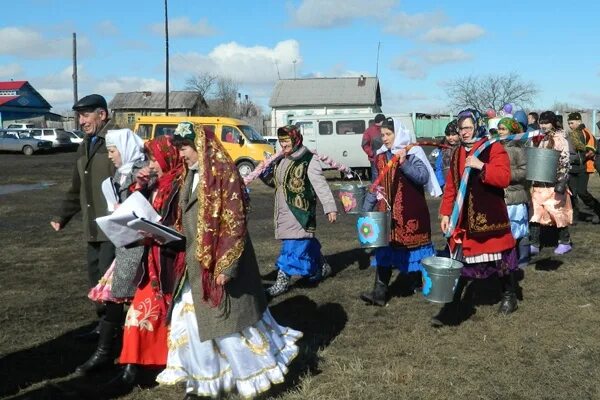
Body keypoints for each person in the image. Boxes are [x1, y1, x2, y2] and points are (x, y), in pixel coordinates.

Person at [156, 122, 301, 399]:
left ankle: (257, 377)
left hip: (219, 264)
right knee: (191, 321)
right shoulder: (191, 174)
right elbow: (187, 215)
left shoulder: (224, 173)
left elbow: (234, 223)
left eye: (185, 147)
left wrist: (227, 266)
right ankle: (204, 383)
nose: (181, 154)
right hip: (196, 265)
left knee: (231, 329)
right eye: (179, 148)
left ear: (200, 145)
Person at [112, 135, 185, 386]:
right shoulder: (157, 184)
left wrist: (156, 232)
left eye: (155, 159)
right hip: (151, 260)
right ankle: (131, 367)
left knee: (156, 314)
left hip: (170, 260)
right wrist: (140, 187)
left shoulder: (180, 184)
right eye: (150, 159)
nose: (151, 165)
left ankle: (149, 364)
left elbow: (182, 225)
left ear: (168, 157)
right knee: (137, 315)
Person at [435, 109, 518, 326]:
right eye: (461, 128)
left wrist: (481, 166)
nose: (464, 132)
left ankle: (509, 295)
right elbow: (451, 187)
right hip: (463, 219)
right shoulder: (456, 154)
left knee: (500, 260)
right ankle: (453, 305)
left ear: (477, 126)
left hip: (490, 218)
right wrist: (445, 213)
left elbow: (504, 178)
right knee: (459, 260)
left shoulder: (493, 148)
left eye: (469, 127)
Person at [77, 129, 147, 376]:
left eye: (112, 150)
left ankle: (130, 360)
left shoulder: (144, 171)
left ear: (125, 148)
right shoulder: (122, 172)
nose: (110, 156)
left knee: (139, 305)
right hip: (125, 245)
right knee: (114, 298)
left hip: (143, 248)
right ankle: (106, 352)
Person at [51, 94, 116, 339]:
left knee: (110, 282)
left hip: (112, 228)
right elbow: (76, 187)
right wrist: (62, 216)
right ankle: (104, 324)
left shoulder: (116, 140)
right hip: (91, 228)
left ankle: (113, 328)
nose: (81, 121)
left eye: (85, 115)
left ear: (102, 114)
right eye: (79, 115)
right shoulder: (85, 145)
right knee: (95, 279)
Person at [360, 117, 442, 306]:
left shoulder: (413, 152)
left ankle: (422, 284)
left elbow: (422, 177)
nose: (385, 138)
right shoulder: (380, 157)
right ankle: (379, 293)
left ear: (399, 134)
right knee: (385, 250)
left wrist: (404, 163)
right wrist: (366, 212)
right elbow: (376, 186)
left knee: (415, 249)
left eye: (389, 134)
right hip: (387, 215)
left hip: (410, 212)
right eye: (383, 135)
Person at [265, 125, 338, 297]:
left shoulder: (308, 159)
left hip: (300, 212)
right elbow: (276, 183)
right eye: (281, 141)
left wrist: (330, 208)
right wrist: (265, 172)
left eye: (286, 141)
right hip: (283, 210)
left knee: (292, 246)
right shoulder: (282, 159)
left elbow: (320, 185)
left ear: (295, 139)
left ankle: (282, 282)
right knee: (304, 242)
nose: (283, 145)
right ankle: (322, 266)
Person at [529, 111, 574, 255]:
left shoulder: (560, 139)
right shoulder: (538, 138)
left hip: (554, 182)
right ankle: (534, 243)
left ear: (553, 123)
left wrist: (562, 180)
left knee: (557, 212)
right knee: (535, 212)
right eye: (541, 122)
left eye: (546, 122)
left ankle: (564, 242)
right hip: (539, 181)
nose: (543, 125)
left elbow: (565, 161)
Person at [495, 118, 530, 268]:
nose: (500, 132)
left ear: (511, 131)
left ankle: (523, 257)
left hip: (515, 195)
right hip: (500, 195)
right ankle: (507, 258)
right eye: (499, 128)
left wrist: (506, 175)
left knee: (519, 228)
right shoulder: (495, 147)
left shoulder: (518, 149)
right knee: (503, 229)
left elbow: (524, 171)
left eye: (503, 129)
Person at [566, 112, 600, 224]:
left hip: (583, 168)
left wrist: (580, 158)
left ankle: (598, 210)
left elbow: (591, 151)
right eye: (569, 123)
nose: (570, 125)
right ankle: (574, 216)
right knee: (572, 193)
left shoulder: (587, 133)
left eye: (572, 123)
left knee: (582, 192)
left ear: (579, 121)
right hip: (572, 168)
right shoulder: (570, 134)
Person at [361, 113, 386, 207]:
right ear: (381, 121)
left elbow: (364, 144)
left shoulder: (381, 130)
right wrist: (372, 153)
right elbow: (364, 144)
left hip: (384, 159)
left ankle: (381, 199)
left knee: (380, 180)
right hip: (375, 160)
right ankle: (373, 201)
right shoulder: (370, 131)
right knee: (377, 180)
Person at [434, 119, 459, 190]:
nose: (450, 137)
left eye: (453, 134)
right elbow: (438, 168)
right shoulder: (443, 149)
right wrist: (442, 184)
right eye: (448, 135)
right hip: (446, 186)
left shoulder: (464, 148)